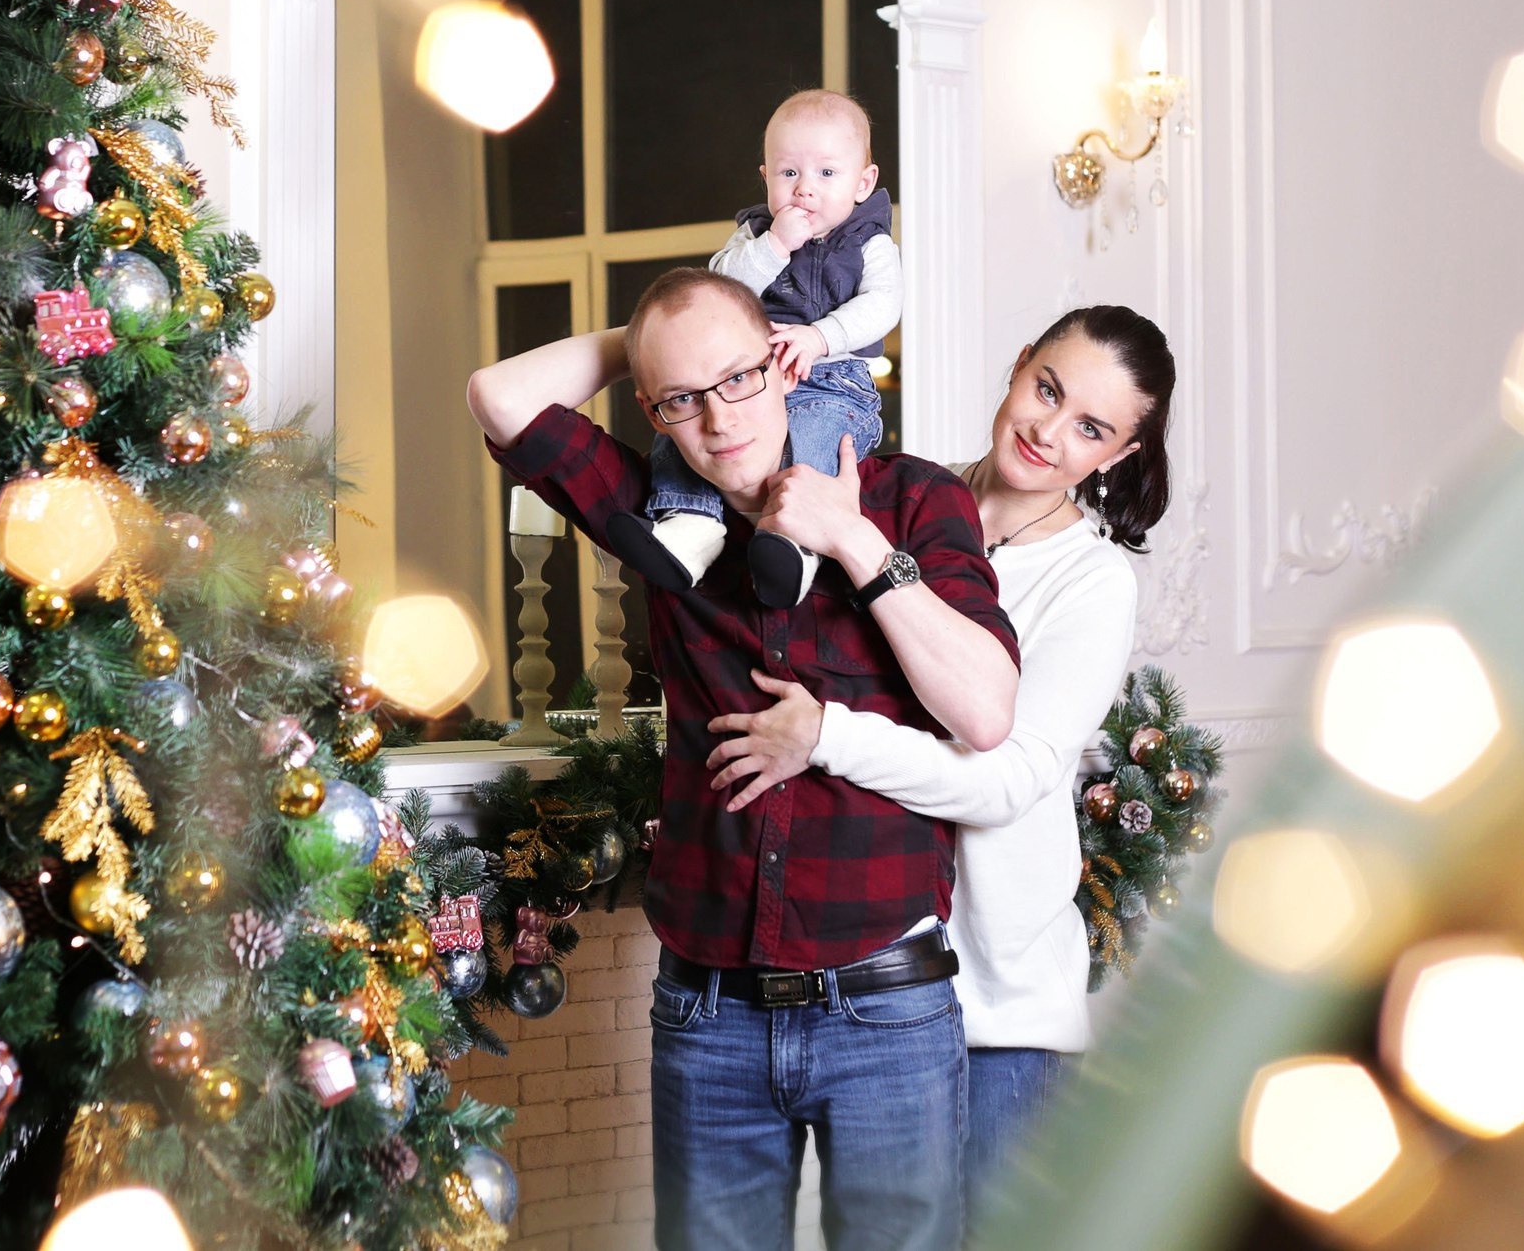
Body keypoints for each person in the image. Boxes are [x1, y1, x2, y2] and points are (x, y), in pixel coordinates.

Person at [465, 269, 1020, 1251]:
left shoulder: (908, 496)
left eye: (736, 378)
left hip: (885, 1005)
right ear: (652, 409)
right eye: (680, 399)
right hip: (708, 1011)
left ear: (781, 360)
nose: (718, 421)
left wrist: (847, 537)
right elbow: (500, 396)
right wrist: (649, 342)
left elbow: (982, 710)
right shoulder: (660, 520)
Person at [701, 304, 1175, 1214]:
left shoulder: (1092, 580)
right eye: (1048, 388)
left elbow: (1002, 782)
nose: (1047, 429)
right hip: (869, 984)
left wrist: (826, 734)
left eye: (1091, 428)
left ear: (1114, 455)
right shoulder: (896, 495)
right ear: (1019, 360)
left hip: (1000, 1013)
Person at [603, 89, 901, 609]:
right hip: (746, 375)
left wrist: (820, 336)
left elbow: (883, 306)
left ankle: (795, 544)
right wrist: (774, 247)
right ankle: (688, 529)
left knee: (817, 434)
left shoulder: (869, 243)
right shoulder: (755, 234)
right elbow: (721, 288)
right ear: (766, 178)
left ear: (863, 182)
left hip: (832, 376)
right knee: (689, 422)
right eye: (789, 174)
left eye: (827, 174)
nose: (805, 190)